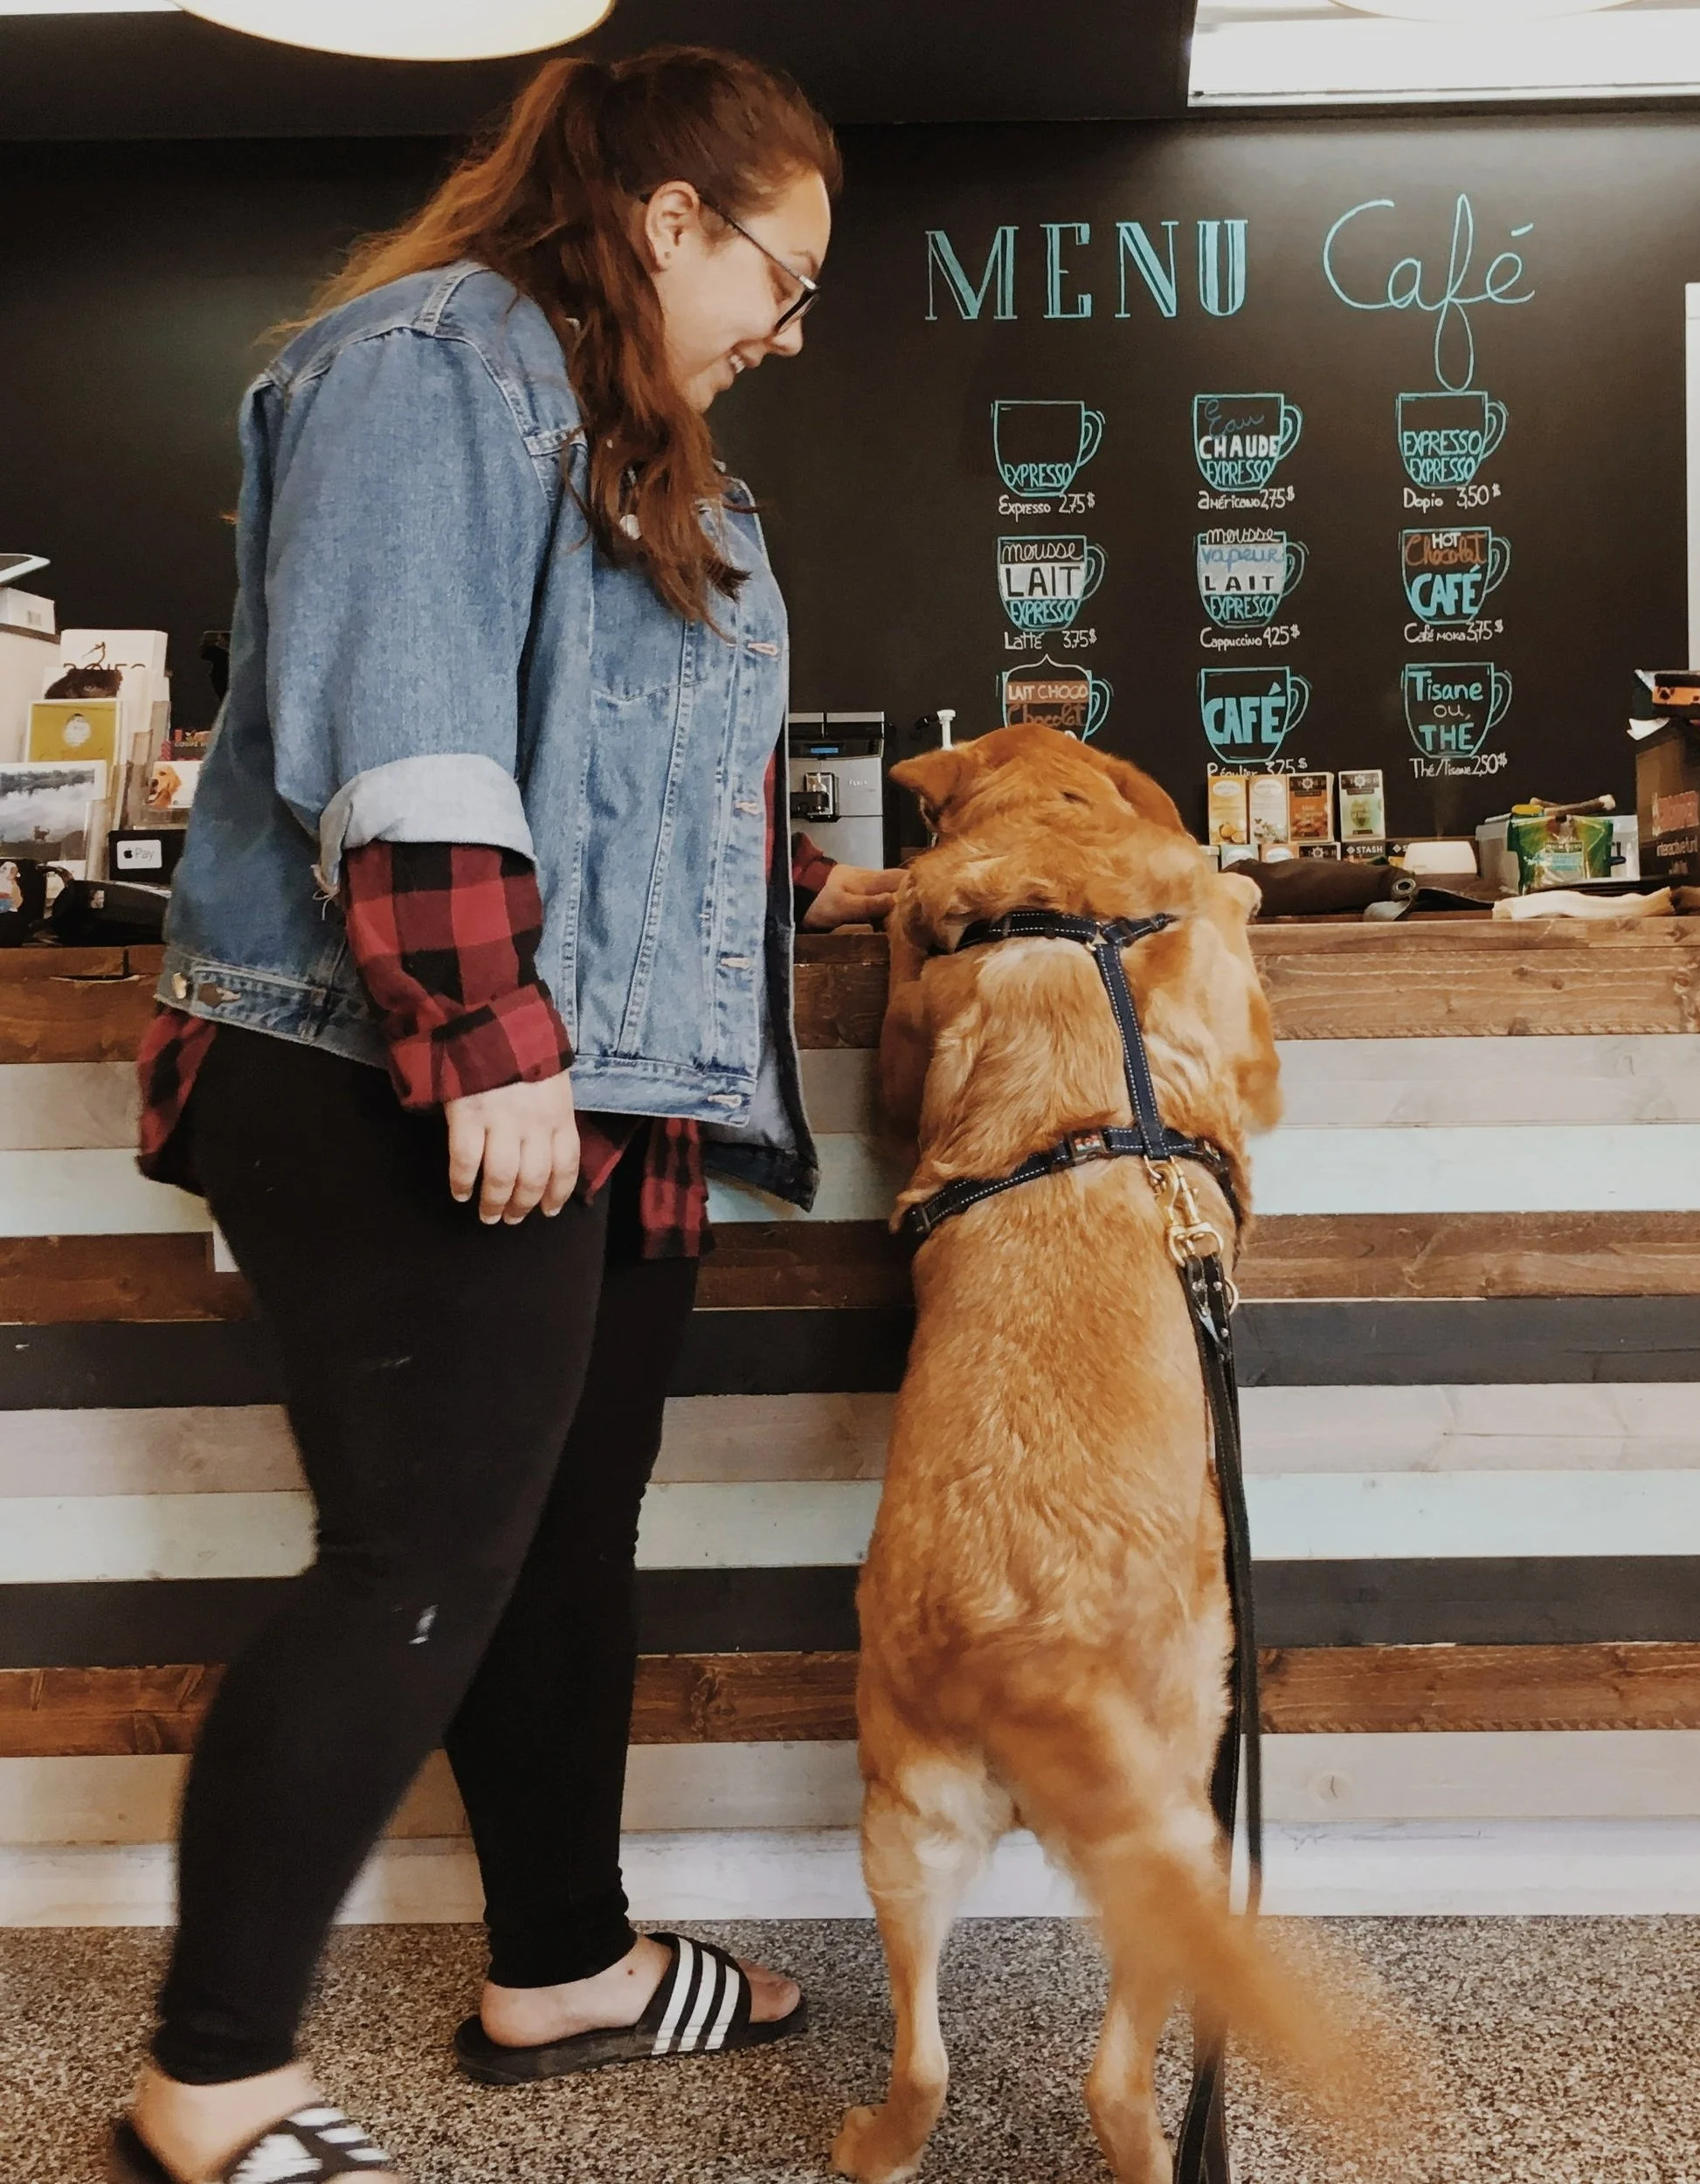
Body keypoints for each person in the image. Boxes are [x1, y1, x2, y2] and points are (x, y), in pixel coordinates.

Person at [110, 46, 895, 2184]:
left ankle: (563, 1962)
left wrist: (809, 890)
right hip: (393, 1059)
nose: (787, 330)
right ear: (671, 219)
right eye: (782, 277)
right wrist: (485, 1037)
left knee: (556, 1535)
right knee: (417, 1561)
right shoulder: (431, 365)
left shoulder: (631, 433)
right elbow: (411, 726)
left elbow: (615, 761)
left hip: (585, 1071)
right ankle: (208, 2080)